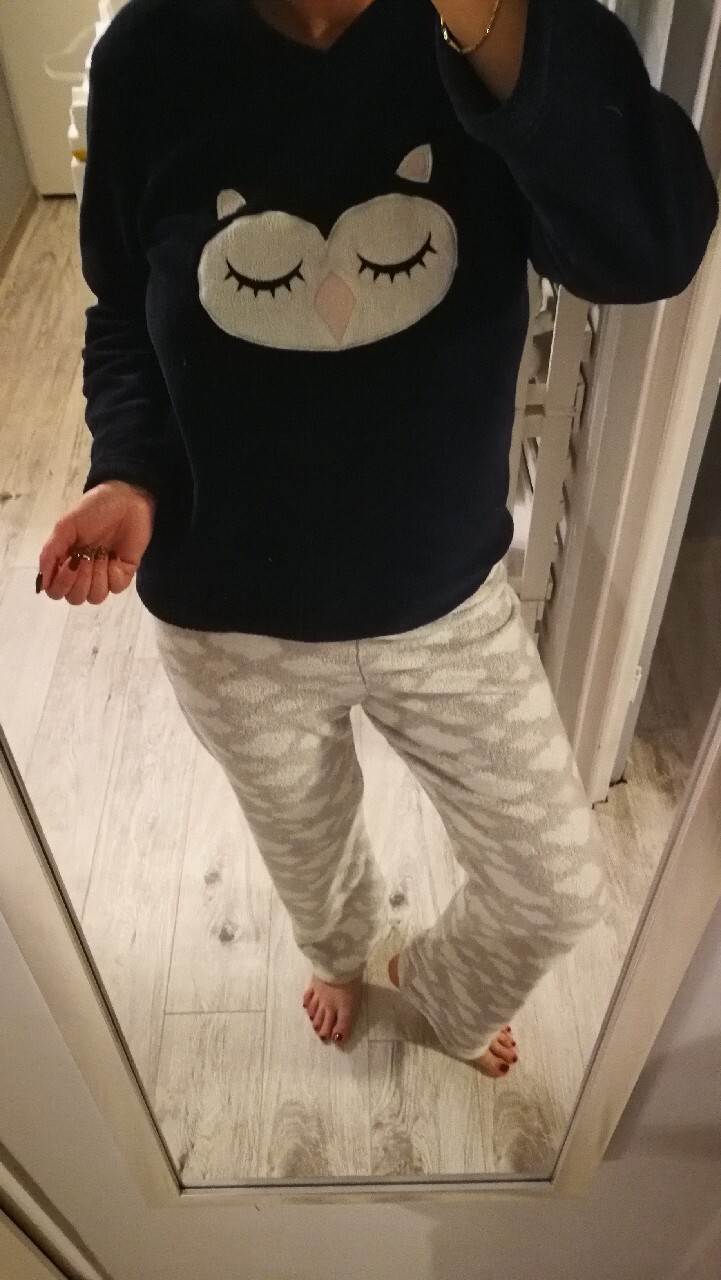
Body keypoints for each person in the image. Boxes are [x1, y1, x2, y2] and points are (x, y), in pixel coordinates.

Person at [38, 0, 718, 1078]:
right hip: (229, 624)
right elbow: (124, 306)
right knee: (309, 859)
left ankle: (434, 990)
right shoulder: (150, 53)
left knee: (554, 888)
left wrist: (489, 26)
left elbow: (647, 246)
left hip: (445, 607)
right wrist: (129, 469)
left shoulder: (498, 32)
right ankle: (342, 957)